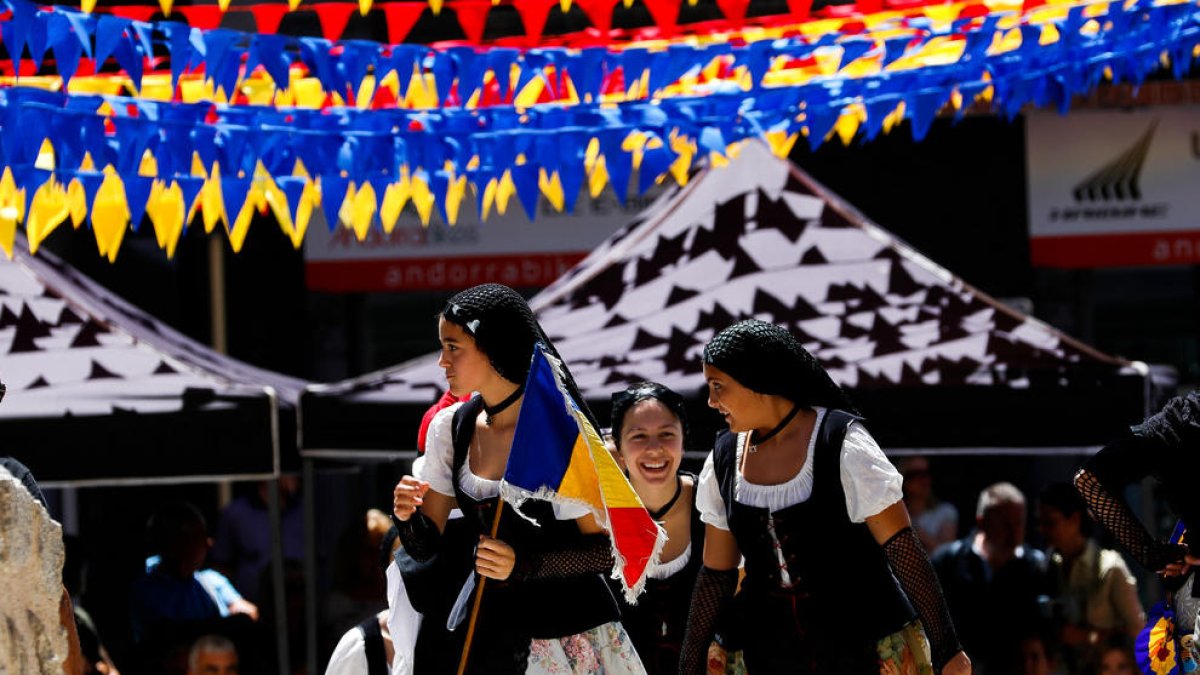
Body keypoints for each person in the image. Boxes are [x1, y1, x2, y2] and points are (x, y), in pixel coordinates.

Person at [680, 319, 969, 675]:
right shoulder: (724, 457)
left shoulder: (840, 442)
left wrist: (947, 647)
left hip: (861, 647)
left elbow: (901, 548)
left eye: (718, 386)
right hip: (770, 654)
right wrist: (690, 663)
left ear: (757, 378)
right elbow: (717, 574)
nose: (711, 401)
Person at [390, 283, 644, 674]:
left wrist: (524, 564)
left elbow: (610, 552)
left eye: (453, 347)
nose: (442, 361)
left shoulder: (558, 433)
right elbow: (426, 548)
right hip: (485, 634)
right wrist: (407, 518)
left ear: (492, 346)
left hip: (563, 636)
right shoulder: (451, 428)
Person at [1074, 391, 1200, 634]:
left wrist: (1151, 553)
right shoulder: (1186, 419)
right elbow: (1090, 481)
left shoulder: (1185, 419)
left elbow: (1090, 481)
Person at [608, 381, 704, 674]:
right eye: (638, 436)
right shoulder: (598, 513)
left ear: (683, 441)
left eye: (666, 434)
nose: (654, 449)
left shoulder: (712, 504)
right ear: (619, 449)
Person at [932, 482, 1054, 675]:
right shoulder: (948, 562)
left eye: (1019, 522)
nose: (1014, 533)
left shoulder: (1035, 568)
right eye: (1005, 523)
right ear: (982, 522)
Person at [1036, 482, 1143, 670]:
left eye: (1051, 523)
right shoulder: (1048, 568)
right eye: (1040, 523)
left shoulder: (1110, 569)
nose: (1043, 530)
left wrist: (1088, 637)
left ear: (1075, 520)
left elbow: (1138, 633)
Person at [210, 476, 303, 605]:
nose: (294, 474)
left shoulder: (306, 511)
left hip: (300, 610)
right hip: (252, 612)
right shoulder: (235, 514)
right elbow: (220, 567)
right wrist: (233, 600)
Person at [899, 456, 959, 552]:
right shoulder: (895, 514)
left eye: (927, 473)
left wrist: (916, 533)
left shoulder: (946, 512)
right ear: (903, 480)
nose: (924, 480)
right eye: (915, 474)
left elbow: (948, 555)